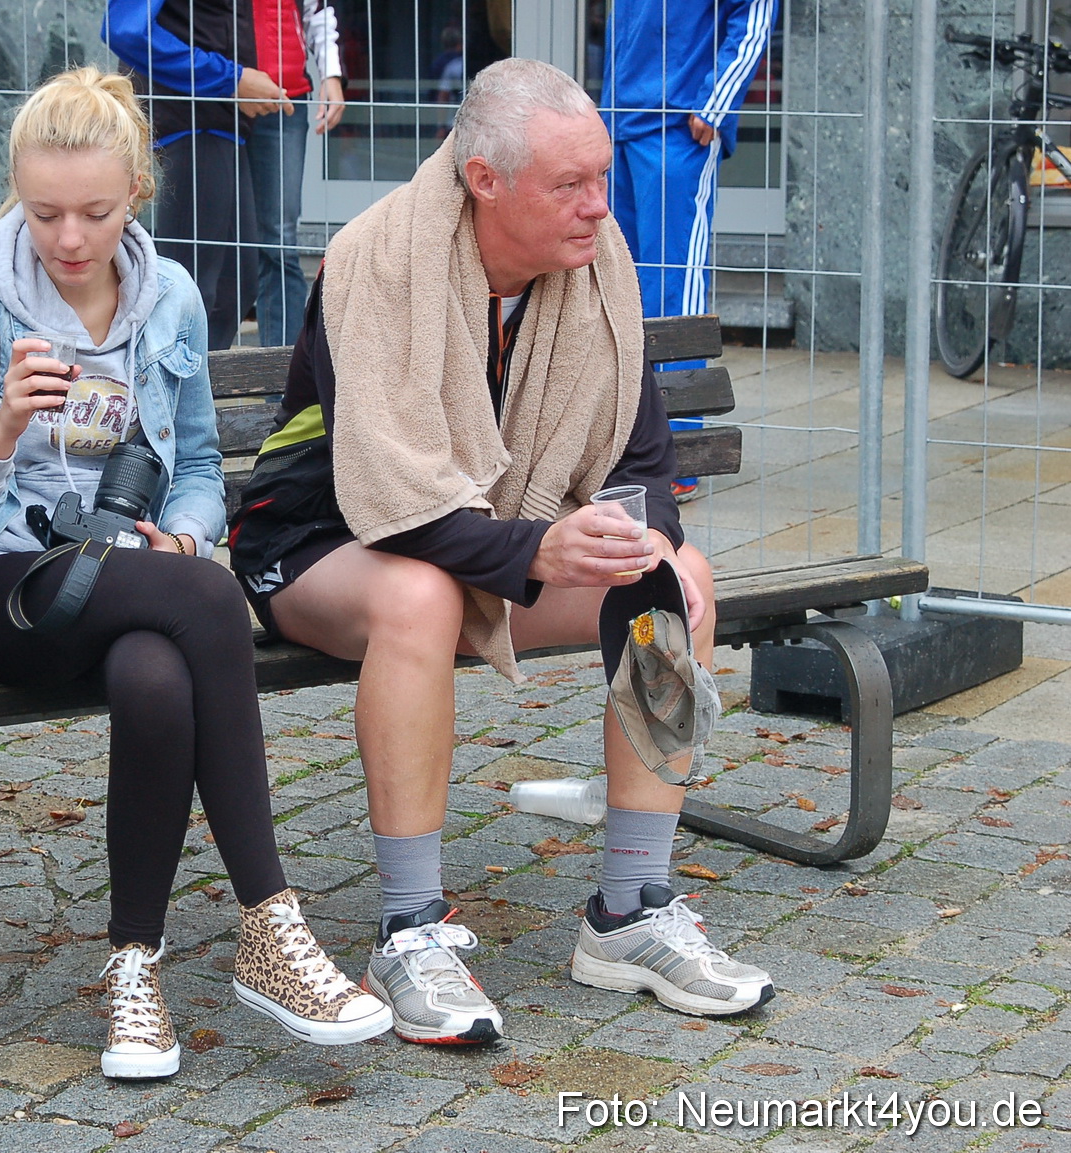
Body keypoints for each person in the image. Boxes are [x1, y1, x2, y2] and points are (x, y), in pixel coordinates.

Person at [227, 58, 774, 1045]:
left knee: (665, 579)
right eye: (571, 185)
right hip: (320, 541)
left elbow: (641, 460)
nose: (600, 208)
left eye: (602, 178)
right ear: (486, 179)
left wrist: (637, 535)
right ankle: (408, 930)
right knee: (421, 597)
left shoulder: (594, 262)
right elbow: (393, 506)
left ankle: (631, 908)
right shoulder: (376, 260)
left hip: (491, 538)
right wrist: (539, 548)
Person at [0, 66, 391, 1078]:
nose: (70, 237)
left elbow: (205, 465)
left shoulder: (168, 295)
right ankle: (269, 919)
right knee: (209, 599)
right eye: (45, 213)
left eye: (93, 210)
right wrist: (0, 431)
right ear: (17, 197)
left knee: (155, 671)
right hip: (1, 587)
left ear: (137, 189)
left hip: (131, 580)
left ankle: (135, 970)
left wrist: (183, 530)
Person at [601, 0, 777, 500]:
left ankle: (678, 453)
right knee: (618, 288)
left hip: (678, 128)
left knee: (674, 288)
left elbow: (756, 14)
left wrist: (716, 104)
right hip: (619, 123)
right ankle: (626, 447)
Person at [102, 0, 330, 350]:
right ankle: (168, 394)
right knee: (191, 285)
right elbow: (125, 31)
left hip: (222, 120)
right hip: (187, 120)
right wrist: (231, 78)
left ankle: (201, 397)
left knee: (232, 284)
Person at [245, 0, 346, 346]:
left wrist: (330, 73)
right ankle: (204, 380)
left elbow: (316, 10)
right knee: (215, 239)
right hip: (215, 92)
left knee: (278, 240)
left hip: (282, 97)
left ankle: (282, 380)